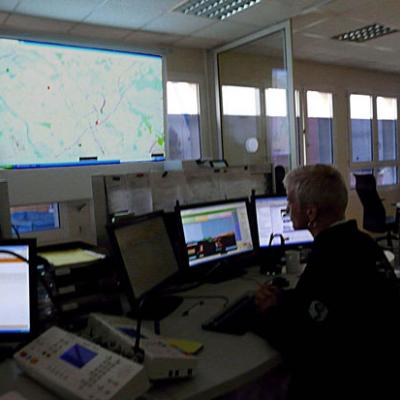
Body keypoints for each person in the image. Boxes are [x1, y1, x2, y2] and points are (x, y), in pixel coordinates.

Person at [253, 164, 400, 400]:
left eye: (290, 202)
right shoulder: (362, 242)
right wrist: (284, 298)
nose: (287, 208)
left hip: (344, 383)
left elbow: (301, 344)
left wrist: (268, 312)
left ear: (310, 213)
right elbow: (330, 302)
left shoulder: (328, 258)